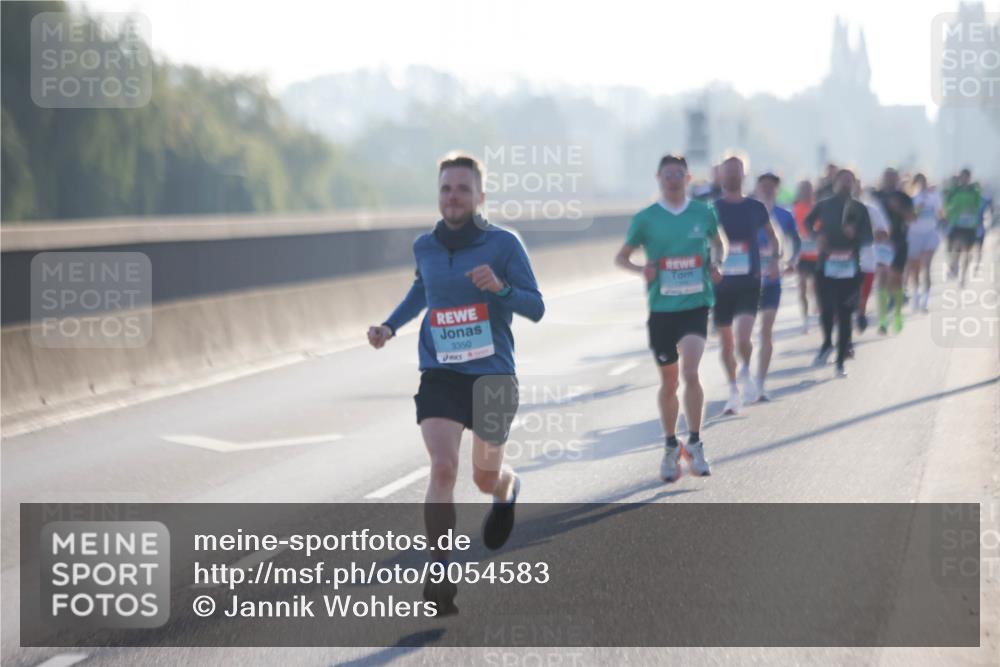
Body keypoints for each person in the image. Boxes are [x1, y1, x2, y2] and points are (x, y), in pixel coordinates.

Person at [368, 153, 545, 614]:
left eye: (463, 189)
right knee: (443, 467)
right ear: (438, 194)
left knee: (483, 476)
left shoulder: (504, 245)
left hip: (492, 375)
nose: (453, 196)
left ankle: (506, 491)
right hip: (441, 371)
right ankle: (440, 572)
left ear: (480, 196)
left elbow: (536, 307)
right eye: (446, 188)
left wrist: (499, 289)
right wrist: (389, 327)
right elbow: (422, 290)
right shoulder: (425, 246)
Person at [615, 154, 724, 482]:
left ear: (688, 178)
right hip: (662, 309)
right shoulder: (647, 218)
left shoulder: (703, 212)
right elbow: (622, 257)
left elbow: (718, 243)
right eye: (667, 174)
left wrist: (717, 262)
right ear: (658, 178)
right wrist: (641, 270)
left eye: (679, 173)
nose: (673, 178)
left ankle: (695, 441)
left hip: (695, 304)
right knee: (669, 382)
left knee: (691, 372)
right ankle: (669, 445)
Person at [713, 157, 781, 411]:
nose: (732, 176)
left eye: (736, 172)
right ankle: (732, 390)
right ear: (721, 176)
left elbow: (774, 237)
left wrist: (775, 260)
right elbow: (700, 239)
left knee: (743, 337)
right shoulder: (713, 209)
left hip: (749, 280)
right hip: (721, 284)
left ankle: (745, 369)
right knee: (726, 342)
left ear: (744, 175)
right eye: (727, 172)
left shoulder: (756, 207)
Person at [805, 169, 873, 376]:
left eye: (849, 181)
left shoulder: (860, 208)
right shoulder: (825, 205)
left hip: (851, 268)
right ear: (835, 183)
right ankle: (827, 343)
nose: (845, 184)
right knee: (826, 309)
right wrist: (817, 236)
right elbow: (808, 223)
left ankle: (840, 360)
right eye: (842, 181)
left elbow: (869, 238)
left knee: (845, 314)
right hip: (826, 266)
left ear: (854, 184)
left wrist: (856, 235)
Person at [753, 172, 800, 400]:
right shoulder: (748, 211)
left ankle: (760, 382)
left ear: (778, 189)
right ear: (757, 187)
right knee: (743, 333)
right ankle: (743, 373)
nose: (768, 189)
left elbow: (797, 241)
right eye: (764, 186)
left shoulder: (785, 214)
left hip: (772, 280)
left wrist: (791, 261)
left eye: (772, 186)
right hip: (747, 280)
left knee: (766, 330)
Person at [907, 173, 943, 312]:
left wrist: (942, 217)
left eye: (924, 182)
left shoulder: (934, 198)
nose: (922, 185)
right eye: (919, 182)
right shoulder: (912, 199)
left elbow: (940, 213)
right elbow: (910, 218)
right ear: (915, 183)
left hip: (930, 234)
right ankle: (915, 295)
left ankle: (925, 301)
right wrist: (918, 209)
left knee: (927, 266)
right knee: (915, 269)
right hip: (914, 236)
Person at [944, 168, 983, 287]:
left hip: (970, 225)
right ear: (960, 178)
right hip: (956, 224)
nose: (964, 179)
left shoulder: (974, 190)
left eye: (966, 176)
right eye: (962, 176)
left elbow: (978, 204)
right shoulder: (955, 190)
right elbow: (947, 204)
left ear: (969, 177)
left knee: (967, 252)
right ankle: (953, 265)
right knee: (955, 247)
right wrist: (952, 212)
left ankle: (963, 277)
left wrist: (970, 210)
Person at [792, 180, 819, 333]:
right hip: (802, 255)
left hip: (816, 255)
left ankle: (816, 310)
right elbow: (792, 230)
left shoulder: (817, 208)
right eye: (803, 190)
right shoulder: (795, 209)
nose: (806, 193)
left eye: (809, 190)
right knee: (802, 287)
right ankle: (805, 319)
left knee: (815, 288)